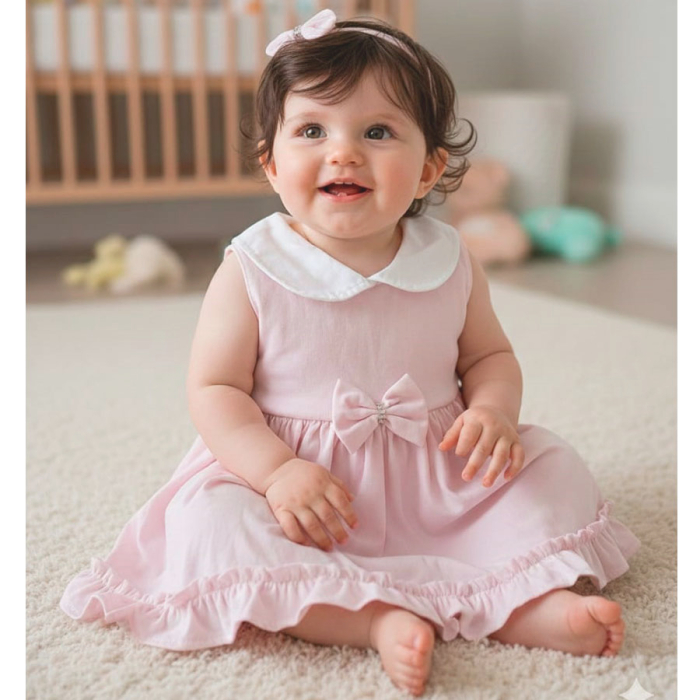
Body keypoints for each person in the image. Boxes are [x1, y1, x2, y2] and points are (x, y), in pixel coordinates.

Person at [60, 10, 640, 696]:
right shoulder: (253, 268)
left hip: (437, 477)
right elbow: (215, 389)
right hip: (299, 490)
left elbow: (489, 356)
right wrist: (276, 473)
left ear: (428, 170)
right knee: (206, 523)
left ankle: (529, 610)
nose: (344, 153)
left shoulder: (449, 259)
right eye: (312, 131)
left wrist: (494, 412)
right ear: (272, 164)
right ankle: (369, 620)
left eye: (377, 132)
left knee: (552, 467)